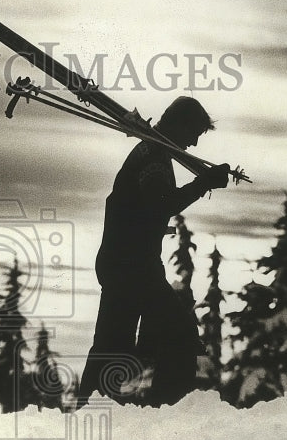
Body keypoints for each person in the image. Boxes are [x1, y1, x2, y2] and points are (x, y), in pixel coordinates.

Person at [76, 96, 230, 407]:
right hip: (132, 268)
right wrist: (204, 183)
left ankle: (88, 408)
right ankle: (164, 411)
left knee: (111, 345)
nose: (194, 143)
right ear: (180, 124)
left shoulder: (151, 151)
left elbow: (150, 208)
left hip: (126, 264)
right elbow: (163, 204)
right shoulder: (154, 158)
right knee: (180, 337)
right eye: (195, 133)